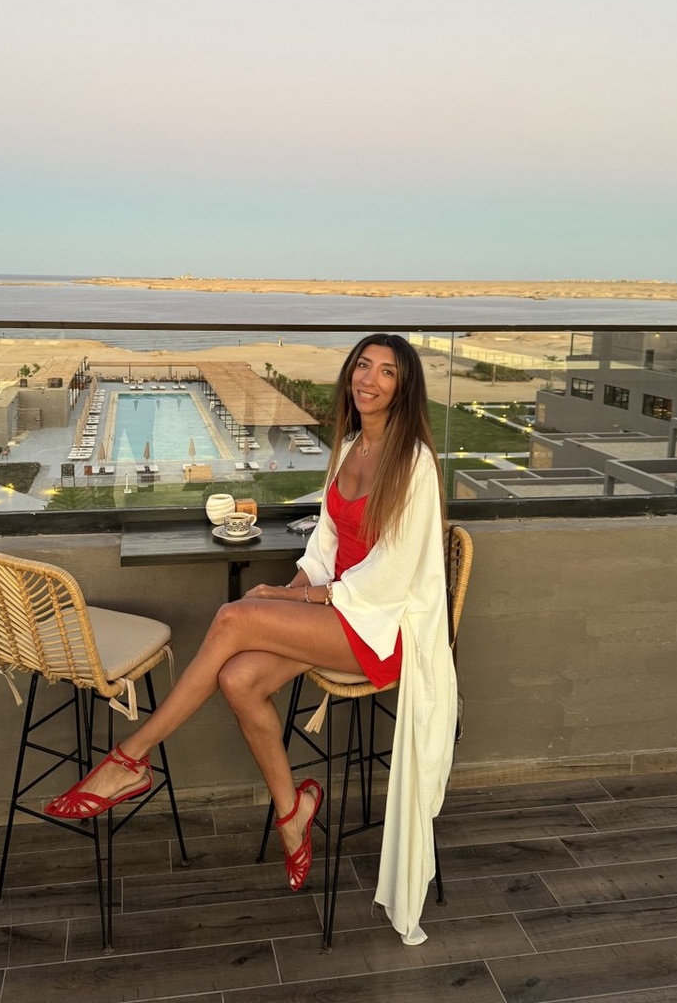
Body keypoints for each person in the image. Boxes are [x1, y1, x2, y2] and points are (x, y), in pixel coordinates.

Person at [46, 333, 457, 943]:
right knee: (237, 678)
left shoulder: (413, 462)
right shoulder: (349, 445)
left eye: (387, 372)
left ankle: (130, 758)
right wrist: (292, 592)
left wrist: (290, 602)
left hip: (383, 629)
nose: (369, 379)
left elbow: (392, 574)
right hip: (340, 613)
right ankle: (293, 813)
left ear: (404, 387)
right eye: (363, 365)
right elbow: (326, 547)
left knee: (233, 618)